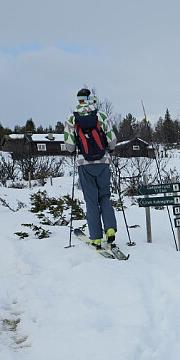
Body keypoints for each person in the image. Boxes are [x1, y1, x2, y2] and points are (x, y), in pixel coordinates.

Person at [64, 88, 119, 250]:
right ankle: (109, 228)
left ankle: (95, 238)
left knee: (91, 201)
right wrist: (109, 149)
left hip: (84, 163)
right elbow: (112, 140)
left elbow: (69, 146)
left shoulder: (71, 118)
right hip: (103, 162)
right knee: (105, 196)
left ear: (79, 100)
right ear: (91, 99)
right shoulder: (101, 116)